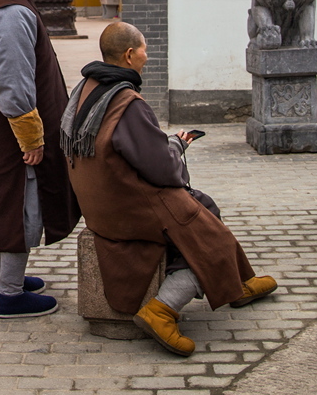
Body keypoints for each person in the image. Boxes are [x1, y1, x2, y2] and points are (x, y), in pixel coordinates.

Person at [62, 21, 277, 356]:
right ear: (130, 54)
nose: (148, 56)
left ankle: (238, 283)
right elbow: (162, 170)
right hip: (127, 208)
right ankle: (162, 309)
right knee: (203, 230)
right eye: (145, 49)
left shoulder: (86, 88)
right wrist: (176, 148)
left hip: (99, 203)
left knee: (202, 204)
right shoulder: (126, 102)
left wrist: (167, 145)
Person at [0, 0, 81, 318]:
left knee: (11, 200)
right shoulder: (12, 12)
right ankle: (11, 293)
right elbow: (14, 82)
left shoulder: (12, 2)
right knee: (21, 201)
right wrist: (31, 137)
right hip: (15, 136)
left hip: (7, 134)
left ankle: (1, 277)